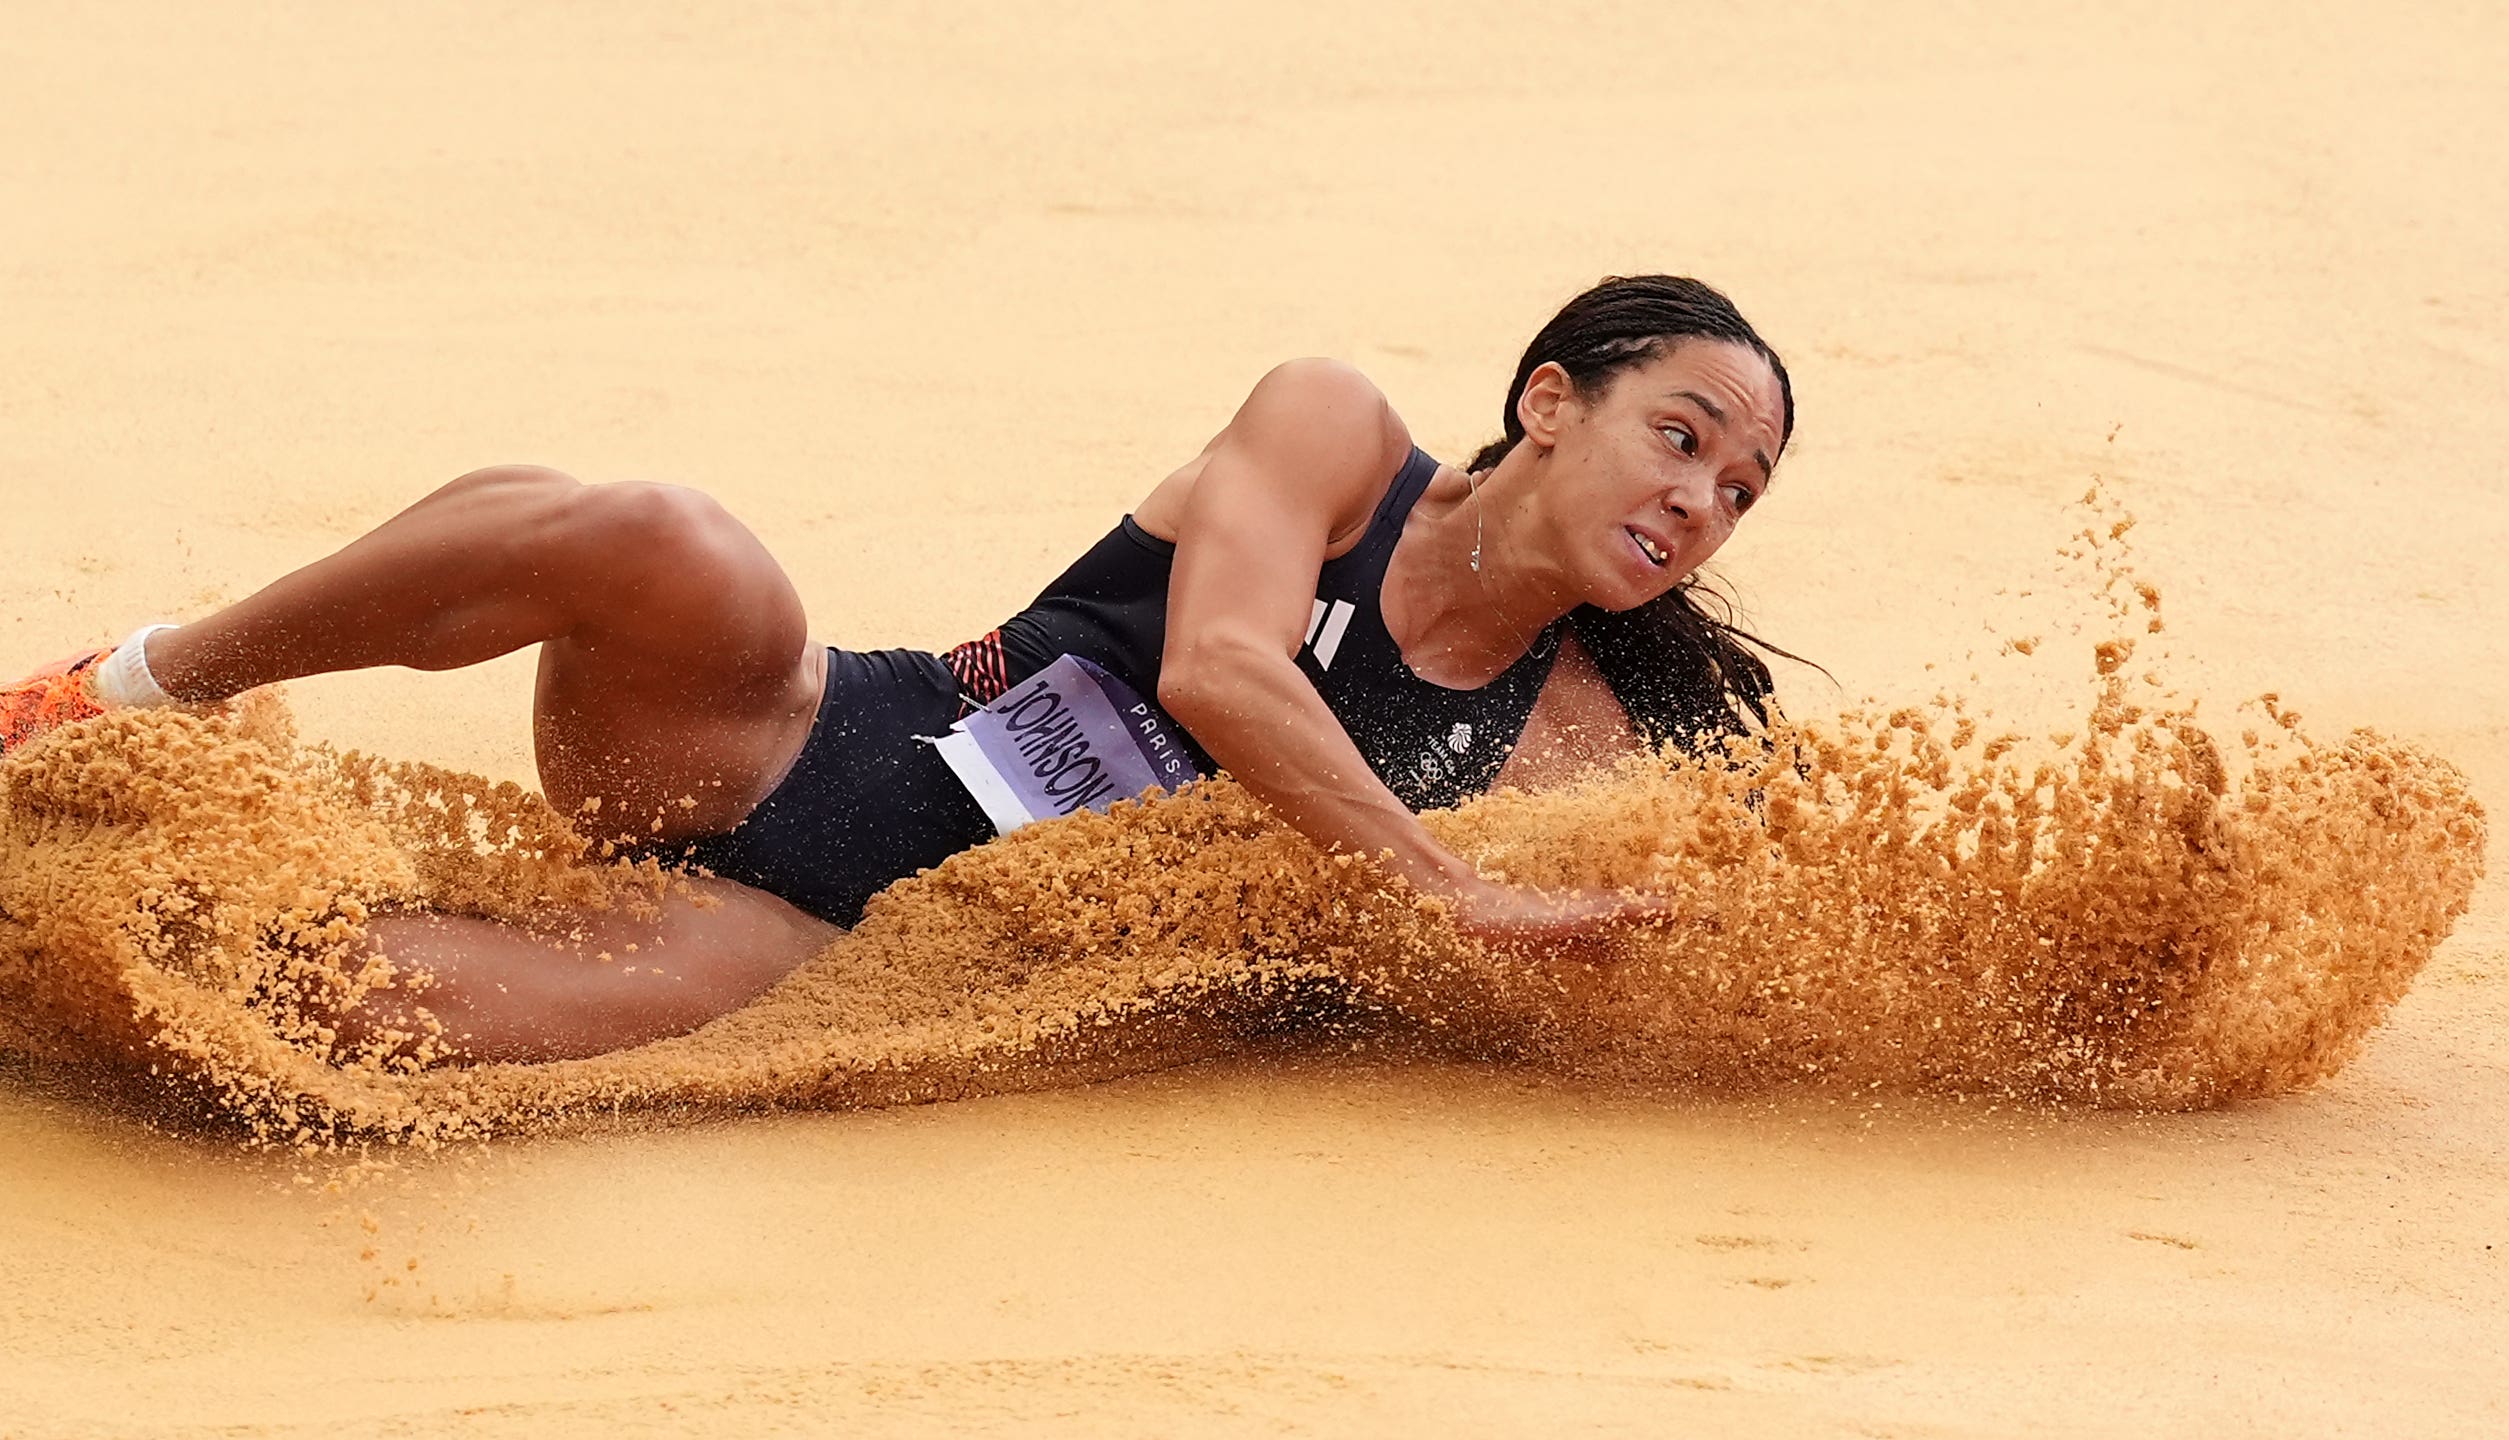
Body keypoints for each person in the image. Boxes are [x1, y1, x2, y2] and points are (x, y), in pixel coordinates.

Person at [0, 274, 1793, 1063]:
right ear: (1552, 402)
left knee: (326, 1011)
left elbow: (1665, 937)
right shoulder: (1336, 436)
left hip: (808, 953)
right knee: (660, 533)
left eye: (1738, 488)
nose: (1699, 496)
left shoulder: (1572, 730)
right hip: (786, 746)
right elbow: (1225, 669)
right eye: (1681, 434)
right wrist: (1442, 886)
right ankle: (135, 685)